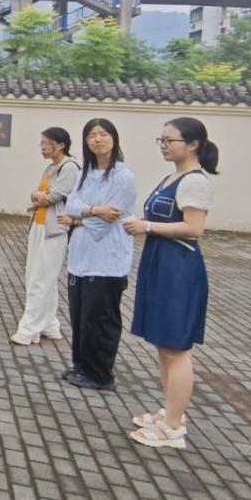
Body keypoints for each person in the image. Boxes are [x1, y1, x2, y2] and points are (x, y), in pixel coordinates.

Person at [123, 117, 220, 450]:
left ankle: (173, 427)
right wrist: (144, 223)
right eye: (161, 140)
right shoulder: (172, 177)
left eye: (170, 140)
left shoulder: (194, 182)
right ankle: (170, 411)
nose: (164, 146)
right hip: (160, 263)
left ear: (192, 145)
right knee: (164, 346)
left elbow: (194, 228)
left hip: (178, 269)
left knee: (176, 349)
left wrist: (147, 226)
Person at [57, 118, 138, 392]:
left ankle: (100, 375)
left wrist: (78, 219)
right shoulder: (85, 173)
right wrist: (93, 210)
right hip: (81, 257)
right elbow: (71, 204)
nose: (98, 139)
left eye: (103, 134)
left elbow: (108, 221)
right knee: (80, 318)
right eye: (91, 135)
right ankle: (81, 366)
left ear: (114, 138)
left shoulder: (123, 176)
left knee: (100, 321)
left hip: (106, 261)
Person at [10, 127, 81, 345]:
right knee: (40, 277)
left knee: (40, 279)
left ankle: (28, 330)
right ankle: (50, 325)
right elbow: (41, 196)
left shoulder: (70, 167)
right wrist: (39, 196)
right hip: (40, 225)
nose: (42, 147)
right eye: (41, 143)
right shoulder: (51, 167)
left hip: (54, 229)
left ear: (61, 145)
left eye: (46, 143)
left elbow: (53, 196)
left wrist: (39, 196)